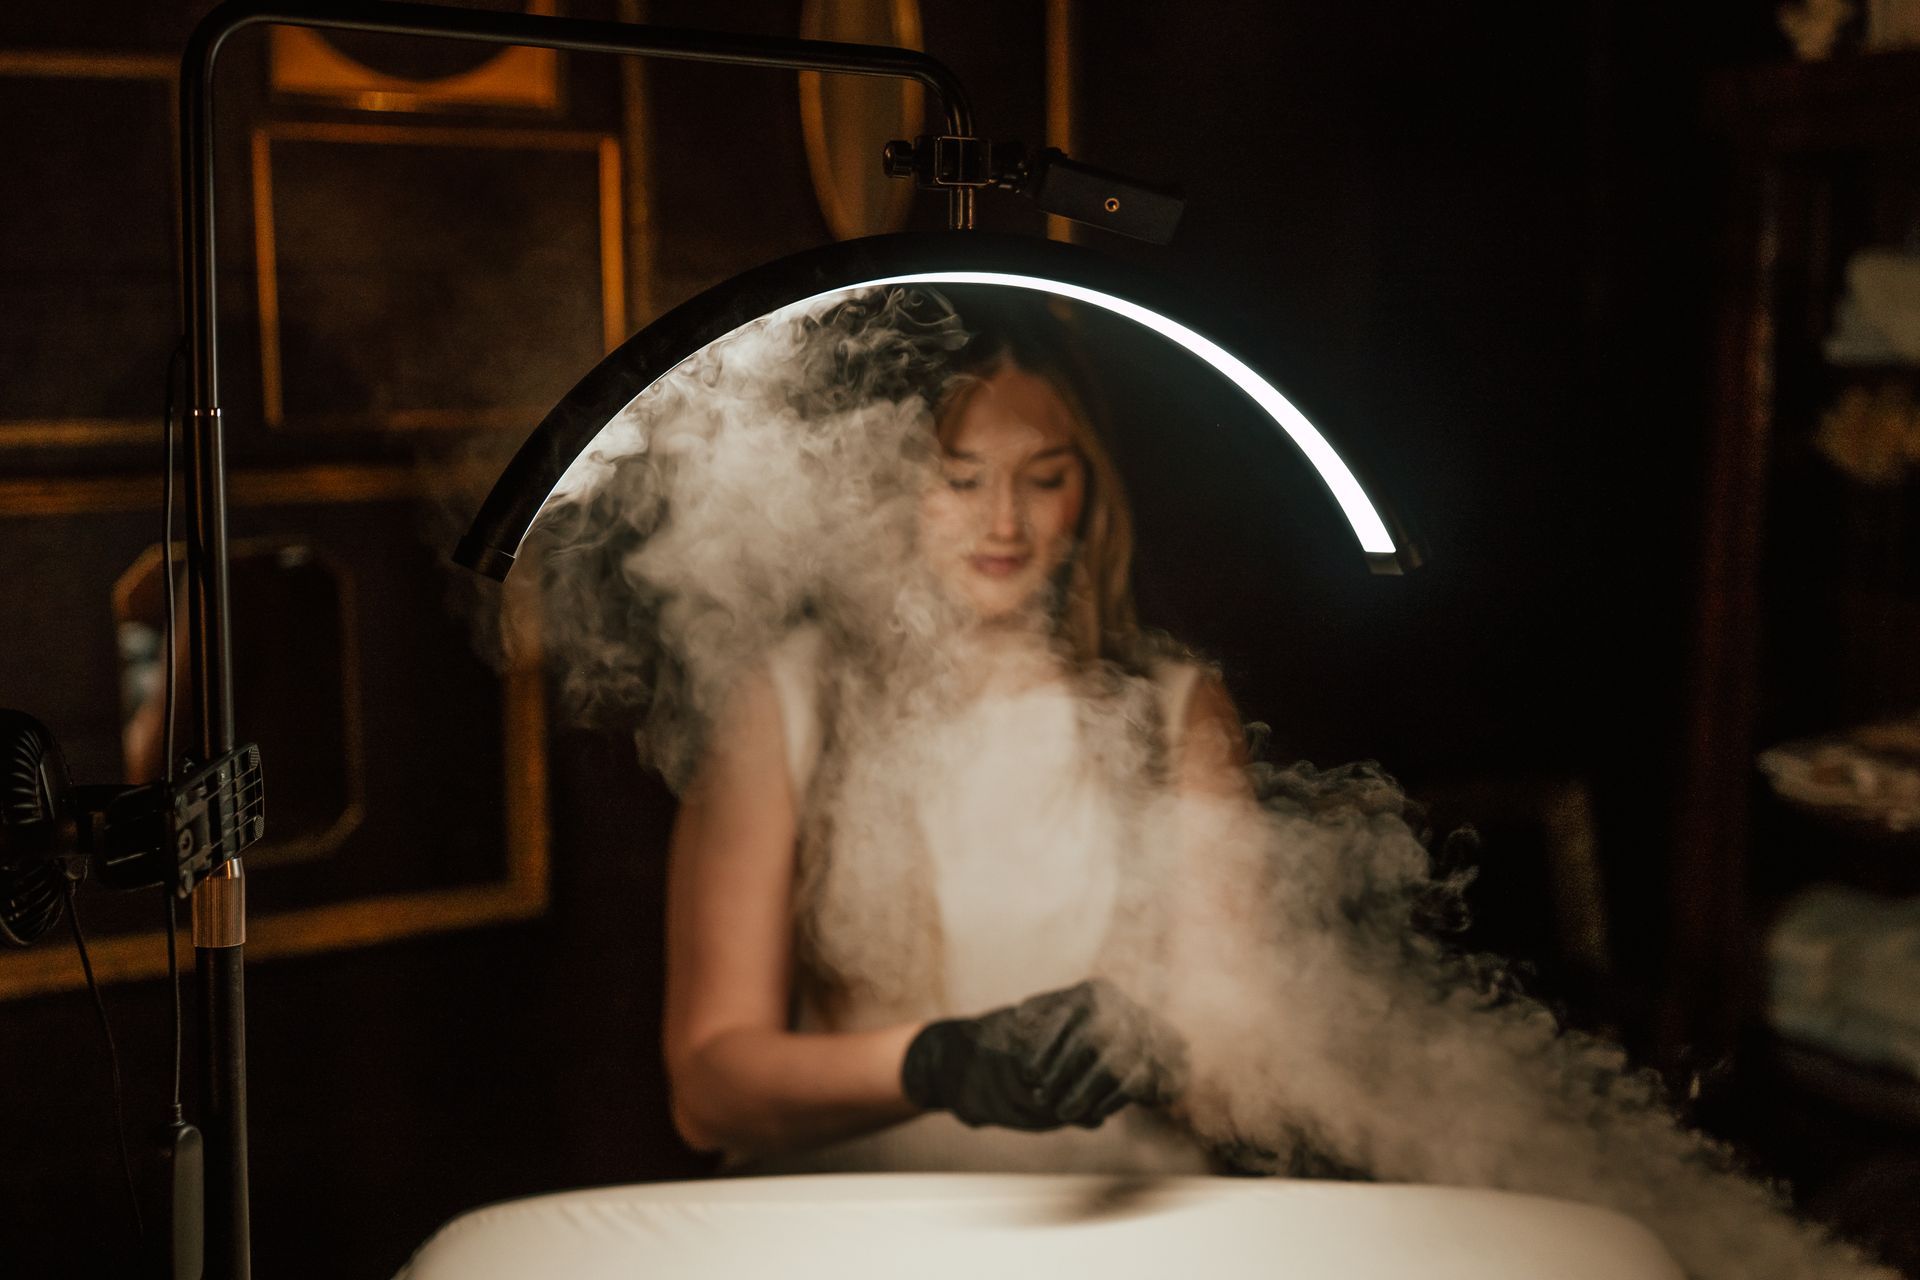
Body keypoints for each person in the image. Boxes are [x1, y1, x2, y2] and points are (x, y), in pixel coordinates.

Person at [658, 291, 1251, 1175]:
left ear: (1088, 489)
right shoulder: (788, 701)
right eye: (961, 479)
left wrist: (1154, 1054)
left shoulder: (1172, 710)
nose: (1005, 522)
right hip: (854, 1221)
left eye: (1045, 478)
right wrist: (936, 1064)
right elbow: (709, 1092)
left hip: (1117, 1213)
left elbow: (1236, 1069)